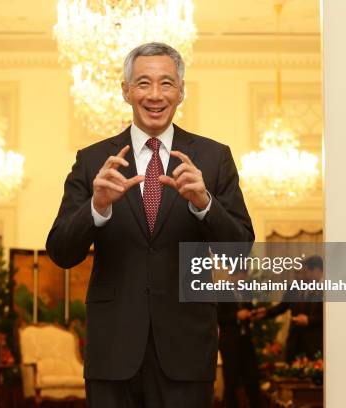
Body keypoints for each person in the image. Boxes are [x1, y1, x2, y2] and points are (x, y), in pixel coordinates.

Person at [46, 42, 254, 407]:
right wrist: (96, 207)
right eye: (143, 83)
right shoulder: (94, 160)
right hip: (113, 353)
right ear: (125, 90)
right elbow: (61, 251)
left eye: (166, 84)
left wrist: (205, 204)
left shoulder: (213, 157)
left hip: (187, 351)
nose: (155, 95)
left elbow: (239, 252)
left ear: (182, 91)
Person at [256, 256, 323, 362]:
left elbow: (327, 317)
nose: (298, 276)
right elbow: (282, 307)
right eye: (296, 273)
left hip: (314, 343)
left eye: (302, 272)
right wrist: (265, 312)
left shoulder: (324, 289)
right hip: (295, 342)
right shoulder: (292, 289)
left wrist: (308, 320)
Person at [217, 280, 262, 408]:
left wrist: (252, 315)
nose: (242, 277)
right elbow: (217, 316)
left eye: (244, 273)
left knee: (253, 379)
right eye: (239, 274)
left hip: (246, 341)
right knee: (231, 381)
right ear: (232, 275)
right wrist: (236, 316)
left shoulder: (246, 291)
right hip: (230, 343)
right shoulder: (222, 291)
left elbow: (249, 310)